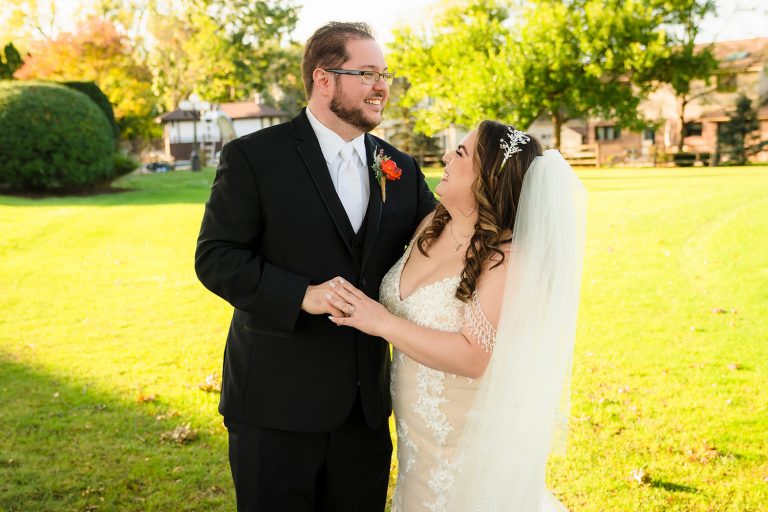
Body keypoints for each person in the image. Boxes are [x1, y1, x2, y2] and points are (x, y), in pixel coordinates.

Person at [194, 22, 436, 512]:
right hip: (273, 405)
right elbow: (216, 257)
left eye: (384, 74)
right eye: (366, 73)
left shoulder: (401, 168)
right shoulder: (254, 158)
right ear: (324, 79)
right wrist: (301, 294)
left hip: (364, 411)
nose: (381, 86)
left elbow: (442, 239)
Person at [327, 120, 586, 511]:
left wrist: (379, 321)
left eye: (461, 152)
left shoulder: (507, 257)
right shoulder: (434, 223)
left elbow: (473, 356)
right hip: (418, 447)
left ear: (487, 178)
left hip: (465, 444)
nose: (446, 156)